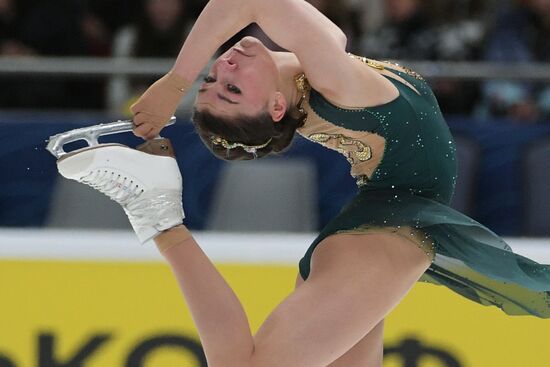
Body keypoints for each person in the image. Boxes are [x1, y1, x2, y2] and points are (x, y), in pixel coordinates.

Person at [63, 0, 550, 366]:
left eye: (211, 79)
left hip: (376, 230)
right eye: (232, 89)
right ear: (276, 109)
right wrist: (177, 81)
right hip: (390, 225)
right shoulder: (334, 76)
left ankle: (162, 217)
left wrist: (177, 81)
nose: (222, 67)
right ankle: (162, 217)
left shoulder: (316, 74)